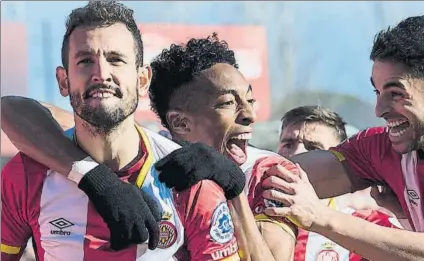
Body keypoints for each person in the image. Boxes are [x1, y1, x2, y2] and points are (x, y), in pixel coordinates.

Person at [0, 2, 273, 261]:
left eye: (116, 59)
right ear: (63, 81)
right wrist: (96, 180)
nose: (101, 73)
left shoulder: (189, 180)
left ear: (142, 80)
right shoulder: (27, 175)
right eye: (85, 61)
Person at [259, 16, 424, 261]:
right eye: (377, 92)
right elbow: (283, 174)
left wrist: (321, 218)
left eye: (396, 93)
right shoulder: (380, 147)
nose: (379, 109)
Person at [278, 105, 405, 261]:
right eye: (288, 145)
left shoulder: (372, 226)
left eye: (313, 148)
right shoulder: (252, 215)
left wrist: (403, 214)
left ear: (337, 160)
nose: (297, 154)